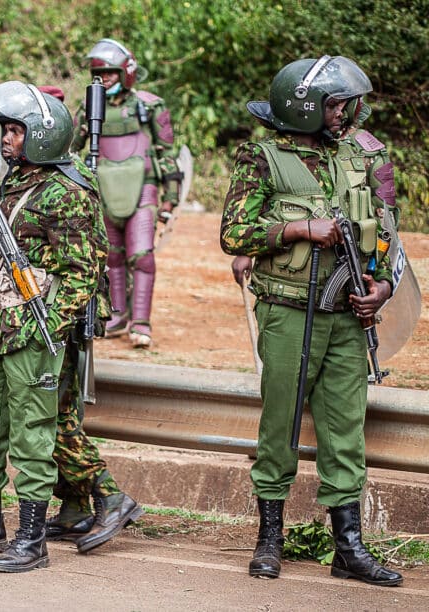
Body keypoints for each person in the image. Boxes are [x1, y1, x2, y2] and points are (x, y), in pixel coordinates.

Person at [220, 56, 402, 586]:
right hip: (287, 312)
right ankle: (269, 539)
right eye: (336, 103)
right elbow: (235, 234)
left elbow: (388, 231)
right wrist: (300, 229)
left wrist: (382, 288)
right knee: (279, 425)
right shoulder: (262, 156)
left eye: (346, 103)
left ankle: (347, 548)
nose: (347, 111)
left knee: (346, 431)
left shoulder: (367, 154)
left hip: (348, 316)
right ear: (306, 108)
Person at [0, 82, 107, 573]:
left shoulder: (68, 193)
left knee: (32, 436)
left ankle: (31, 539)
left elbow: (83, 272)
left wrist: (45, 325)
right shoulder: (13, 183)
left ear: (42, 137)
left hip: (32, 329)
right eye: (5, 130)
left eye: (16, 131)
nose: (7, 139)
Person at [32, 84, 144, 553]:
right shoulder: (44, 169)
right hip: (44, 311)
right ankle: (76, 506)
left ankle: (108, 494)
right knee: (57, 411)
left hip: (58, 315)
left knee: (52, 416)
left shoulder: (70, 176)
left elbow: (82, 261)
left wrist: (60, 316)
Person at [72, 38, 182, 349]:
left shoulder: (149, 106)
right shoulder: (90, 106)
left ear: (126, 73)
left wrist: (170, 197)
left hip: (143, 188)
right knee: (113, 257)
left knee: (142, 255)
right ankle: (118, 315)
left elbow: (166, 153)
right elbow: (73, 148)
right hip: (104, 190)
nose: (104, 78)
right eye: (100, 74)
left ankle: (142, 321)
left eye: (110, 73)